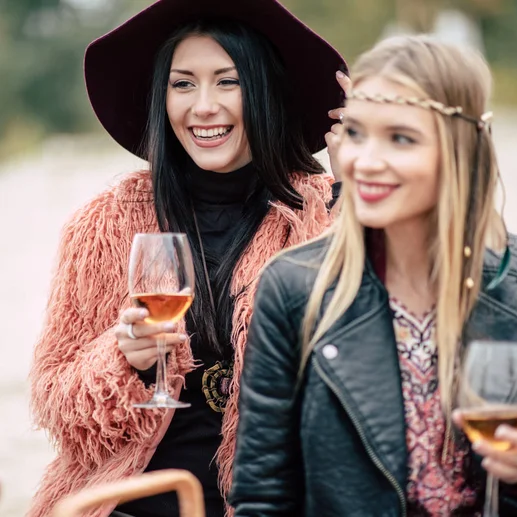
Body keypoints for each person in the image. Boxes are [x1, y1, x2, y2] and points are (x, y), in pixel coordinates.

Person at [229, 35, 517, 516]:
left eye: (400, 138)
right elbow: (262, 498)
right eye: (357, 134)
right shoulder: (293, 286)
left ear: (459, 152)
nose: (365, 160)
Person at [28, 1, 348, 516]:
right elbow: (58, 407)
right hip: (128, 505)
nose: (203, 106)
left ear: (264, 91)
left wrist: (358, 186)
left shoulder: (325, 214)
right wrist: (123, 358)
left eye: (228, 81)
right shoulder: (106, 224)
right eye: (183, 84)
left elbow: (377, 368)